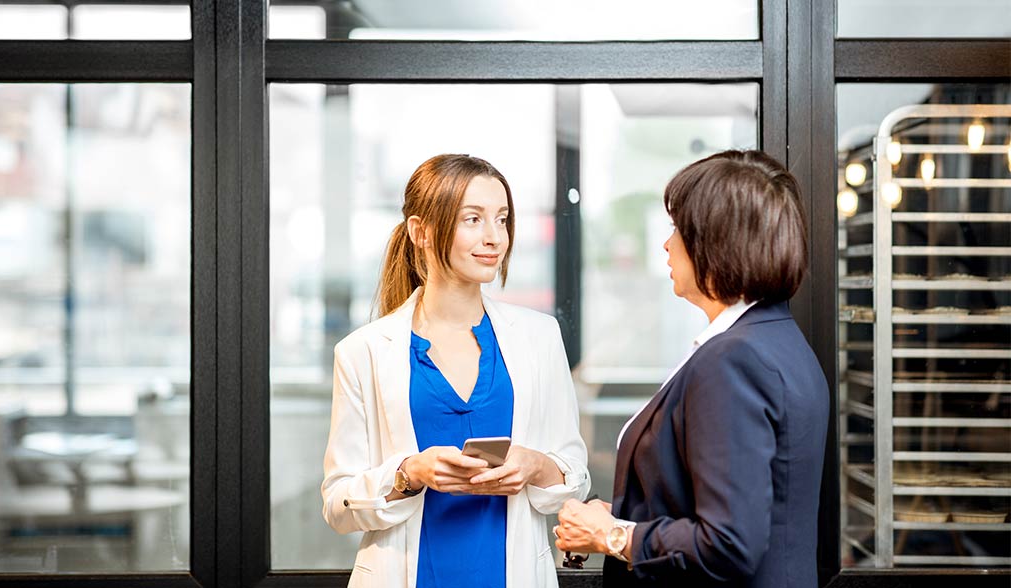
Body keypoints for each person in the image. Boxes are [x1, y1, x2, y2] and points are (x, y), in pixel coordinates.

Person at [555, 150, 828, 587]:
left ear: (715, 242)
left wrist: (613, 535)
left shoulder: (732, 360)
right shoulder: (777, 337)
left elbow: (728, 543)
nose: (667, 244)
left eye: (678, 229)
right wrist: (632, 516)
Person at [321, 154, 591, 588]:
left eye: (502, 220)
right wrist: (410, 473)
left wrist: (535, 465)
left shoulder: (540, 338)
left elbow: (574, 476)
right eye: (473, 219)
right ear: (421, 231)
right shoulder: (363, 351)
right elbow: (337, 504)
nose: (494, 238)